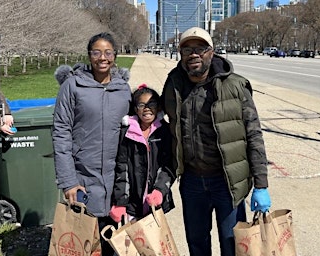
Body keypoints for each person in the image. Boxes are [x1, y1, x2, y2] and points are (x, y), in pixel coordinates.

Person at [161, 27, 272, 256]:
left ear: (211, 52)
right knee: (197, 244)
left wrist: (261, 185)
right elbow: (158, 121)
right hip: (192, 182)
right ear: (180, 53)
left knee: (232, 246)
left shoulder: (236, 86)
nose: (194, 54)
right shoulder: (173, 85)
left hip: (227, 182)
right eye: (187, 49)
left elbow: (253, 134)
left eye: (200, 49)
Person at [52, 32, 132, 256]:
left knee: (111, 243)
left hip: (116, 181)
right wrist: (68, 181)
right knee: (84, 244)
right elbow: (61, 133)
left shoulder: (122, 89)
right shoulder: (73, 86)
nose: (102, 58)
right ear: (89, 55)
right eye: (96, 52)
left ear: (115, 55)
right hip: (83, 179)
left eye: (108, 52)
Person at [109, 84, 175, 223]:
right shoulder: (127, 134)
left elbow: (169, 165)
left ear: (158, 107)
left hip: (156, 203)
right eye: (141, 105)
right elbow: (122, 168)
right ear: (135, 109)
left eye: (152, 104)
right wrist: (121, 202)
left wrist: (159, 191)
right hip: (133, 203)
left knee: (155, 241)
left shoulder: (165, 132)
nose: (147, 108)